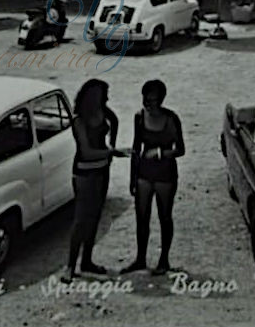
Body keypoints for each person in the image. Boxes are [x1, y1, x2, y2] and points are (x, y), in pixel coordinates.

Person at [121, 79, 185, 276]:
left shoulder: (171, 118)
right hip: (144, 174)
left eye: (152, 100)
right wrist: (132, 178)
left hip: (165, 174)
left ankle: (164, 259)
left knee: (164, 217)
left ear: (161, 100)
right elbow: (135, 148)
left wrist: (159, 153)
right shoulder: (139, 117)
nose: (147, 104)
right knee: (142, 217)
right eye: (145, 99)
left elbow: (180, 150)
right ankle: (141, 258)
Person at [62, 79, 122, 283]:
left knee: (95, 216)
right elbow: (86, 152)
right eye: (103, 94)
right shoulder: (79, 120)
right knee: (81, 218)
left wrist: (112, 144)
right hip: (84, 173)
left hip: (102, 170)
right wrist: (111, 151)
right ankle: (70, 265)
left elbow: (115, 121)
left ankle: (86, 261)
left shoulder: (103, 111)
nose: (106, 98)